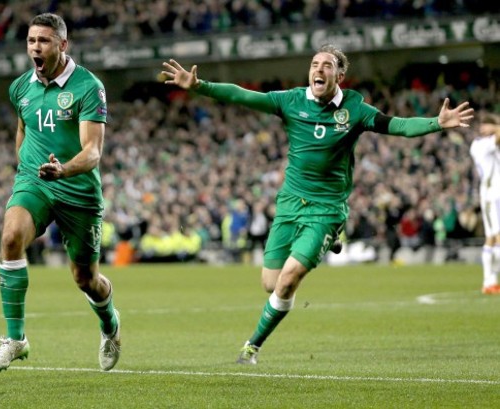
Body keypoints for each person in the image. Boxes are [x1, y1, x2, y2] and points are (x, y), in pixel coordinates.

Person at [161, 44, 474, 364]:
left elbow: (397, 125)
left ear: (339, 75)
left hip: (326, 208)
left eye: (326, 65)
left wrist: (436, 122)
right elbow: (243, 95)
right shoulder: (291, 101)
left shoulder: (355, 109)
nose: (318, 69)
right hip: (289, 204)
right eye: (314, 64)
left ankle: (251, 346)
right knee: (271, 283)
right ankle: (325, 247)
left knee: (288, 279)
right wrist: (200, 86)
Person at [0, 13, 121, 372]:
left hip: (77, 189)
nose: (35, 48)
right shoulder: (20, 87)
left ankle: (110, 325)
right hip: (35, 183)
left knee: (85, 280)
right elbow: (23, 129)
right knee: (11, 236)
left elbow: (93, 151)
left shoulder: (88, 87)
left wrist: (63, 169)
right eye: (31, 41)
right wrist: (27, 170)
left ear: (62, 45)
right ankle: (16, 339)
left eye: (43, 41)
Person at [469, 113, 500, 295]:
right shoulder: (479, 145)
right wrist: (496, 126)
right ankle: (489, 281)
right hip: (493, 194)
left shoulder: (491, 146)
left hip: (491, 194)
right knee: (497, 237)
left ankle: (489, 281)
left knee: (491, 238)